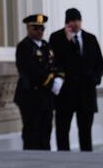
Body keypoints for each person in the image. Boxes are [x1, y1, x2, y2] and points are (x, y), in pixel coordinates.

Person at [48, 8, 103, 151]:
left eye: (78, 20)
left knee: (85, 131)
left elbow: (99, 62)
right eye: (72, 20)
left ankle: (86, 159)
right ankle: (63, 159)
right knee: (63, 130)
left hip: (86, 92)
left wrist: (96, 78)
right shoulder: (56, 38)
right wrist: (68, 41)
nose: (76, 23)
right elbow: (54, 61)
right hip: (65, 93)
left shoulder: (90, 39)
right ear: (67, 22)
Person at [14, 14, 64, 150]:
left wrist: (59, 78)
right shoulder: (24, 46)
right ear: (28, 28)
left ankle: (45, 160)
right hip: (30, 95)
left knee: (46, 130)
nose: (40, 31)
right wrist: (50, 82)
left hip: (46, 97)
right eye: (36, 28)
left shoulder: (47, 46)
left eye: (42, 28)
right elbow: (30, 70)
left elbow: (57, 64)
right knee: (32, 132)